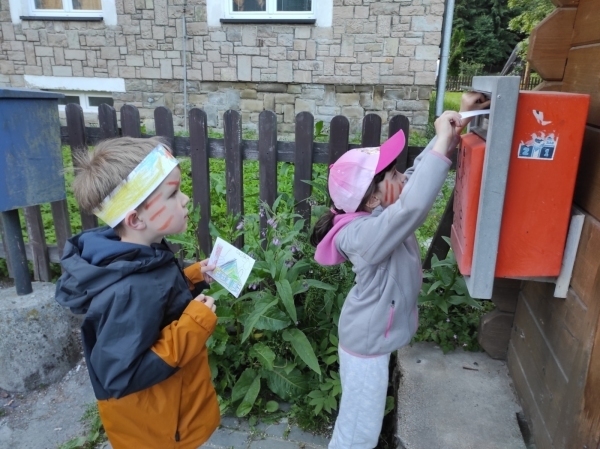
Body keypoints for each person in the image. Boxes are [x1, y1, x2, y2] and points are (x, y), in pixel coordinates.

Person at [311, 92, 490, 449]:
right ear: (373, 198)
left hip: (371, 337)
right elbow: (411, 207)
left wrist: (455, 129)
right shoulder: (362, 235)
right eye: (391, 174)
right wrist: (442, 141)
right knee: (359, 431)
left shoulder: (375, 212)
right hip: (365, 345)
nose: (401, 176)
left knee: (360, 423)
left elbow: (414, 177)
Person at [55, 137, 220, 449]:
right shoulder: (127, 289)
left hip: (174, 410)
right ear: (135, 219)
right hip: (159, 432)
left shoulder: (138, 255)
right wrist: (194, 325)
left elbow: (156, 302)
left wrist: (192, 278)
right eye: (172, 194)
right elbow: (121, 375)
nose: (185, 199)